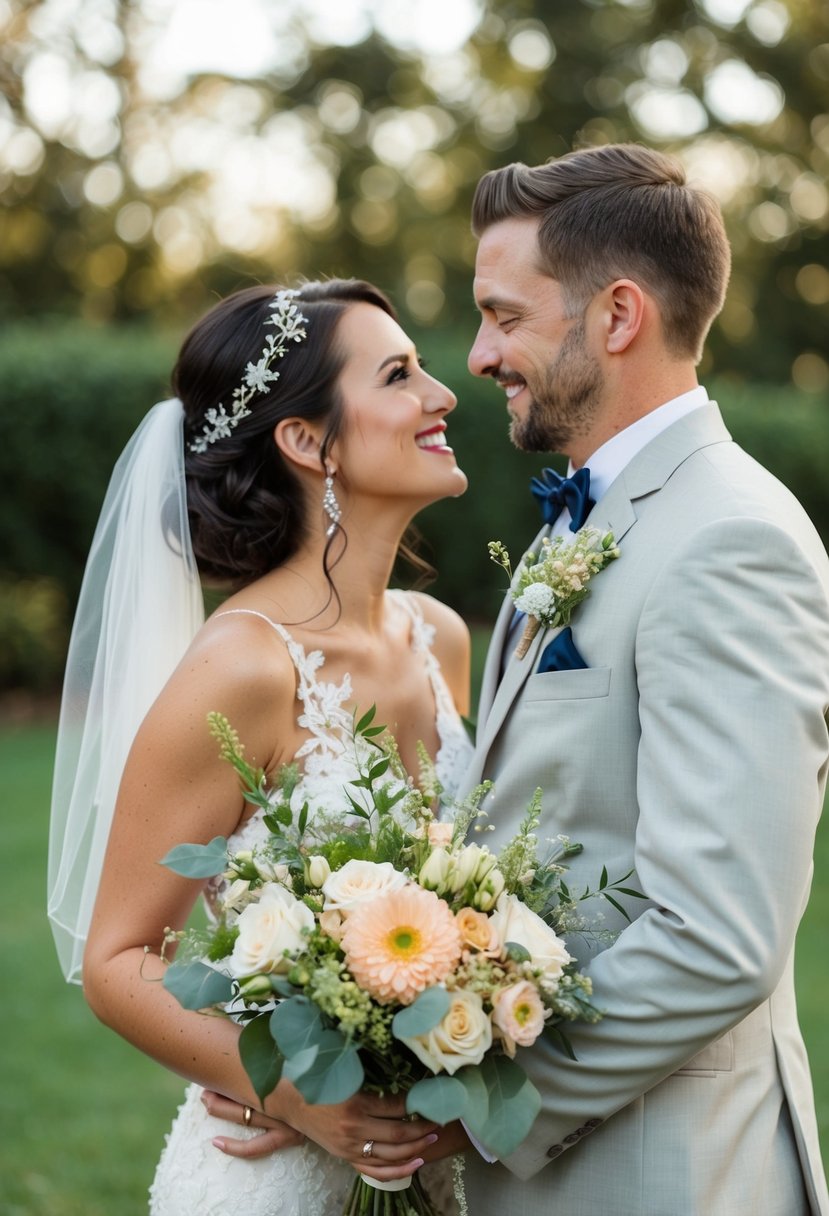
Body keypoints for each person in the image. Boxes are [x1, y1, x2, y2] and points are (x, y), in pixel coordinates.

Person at [452, 142, 829, 1214]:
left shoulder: (728, 541)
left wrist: (467, 1090)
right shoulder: (585, 516)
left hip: (662, 1174)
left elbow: (716, 934)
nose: (480, 354)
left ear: (616, 316)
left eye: (504, 314)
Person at [47, 278, 473, 1215]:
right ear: (307, 442)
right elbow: (118, 961)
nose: (442, 394)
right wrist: (287, 1091)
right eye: (400, 374)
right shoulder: (243, 669)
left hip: (431, 1159)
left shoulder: (440, 637)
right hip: (270, 1170)